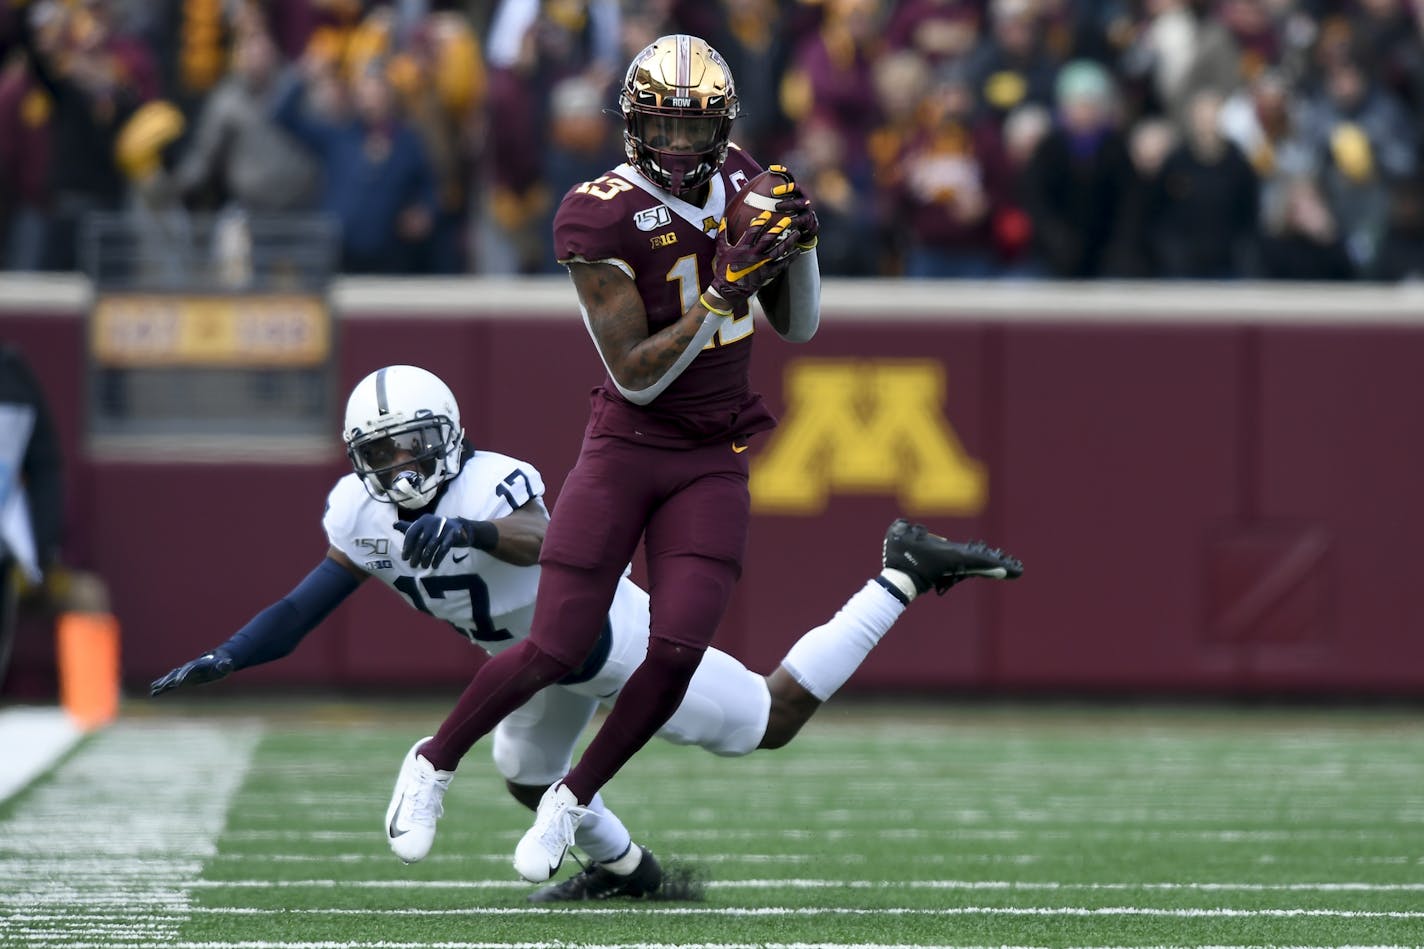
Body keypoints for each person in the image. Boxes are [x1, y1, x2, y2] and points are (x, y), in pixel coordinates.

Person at [150, 364, 1024, 902]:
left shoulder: (489, 486)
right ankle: (631, 875)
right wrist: (229, 654)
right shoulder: (360, 515)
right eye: (380, 454)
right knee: (528, 775)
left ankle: (903, 570)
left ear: (449, 438)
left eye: (412, 446)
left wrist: (469, 533)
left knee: (771, 720)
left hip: (608, 635)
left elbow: (552, 535)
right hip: (523, 668)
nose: (399, 470)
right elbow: (302, 610)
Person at [392, 32, 831, 888]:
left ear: (723, 127)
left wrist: (802, 248)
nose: (677, 145)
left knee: (674, 648)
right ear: (633, 128)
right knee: (557, 642)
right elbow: (633, 377)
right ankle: (433, 760)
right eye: (660, 125)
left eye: (693, 127)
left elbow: (802, 326)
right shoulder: (596, 211)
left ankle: (572, 797)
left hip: (711, 452)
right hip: (627, 446)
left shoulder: (747, 178)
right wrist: (722, 289)